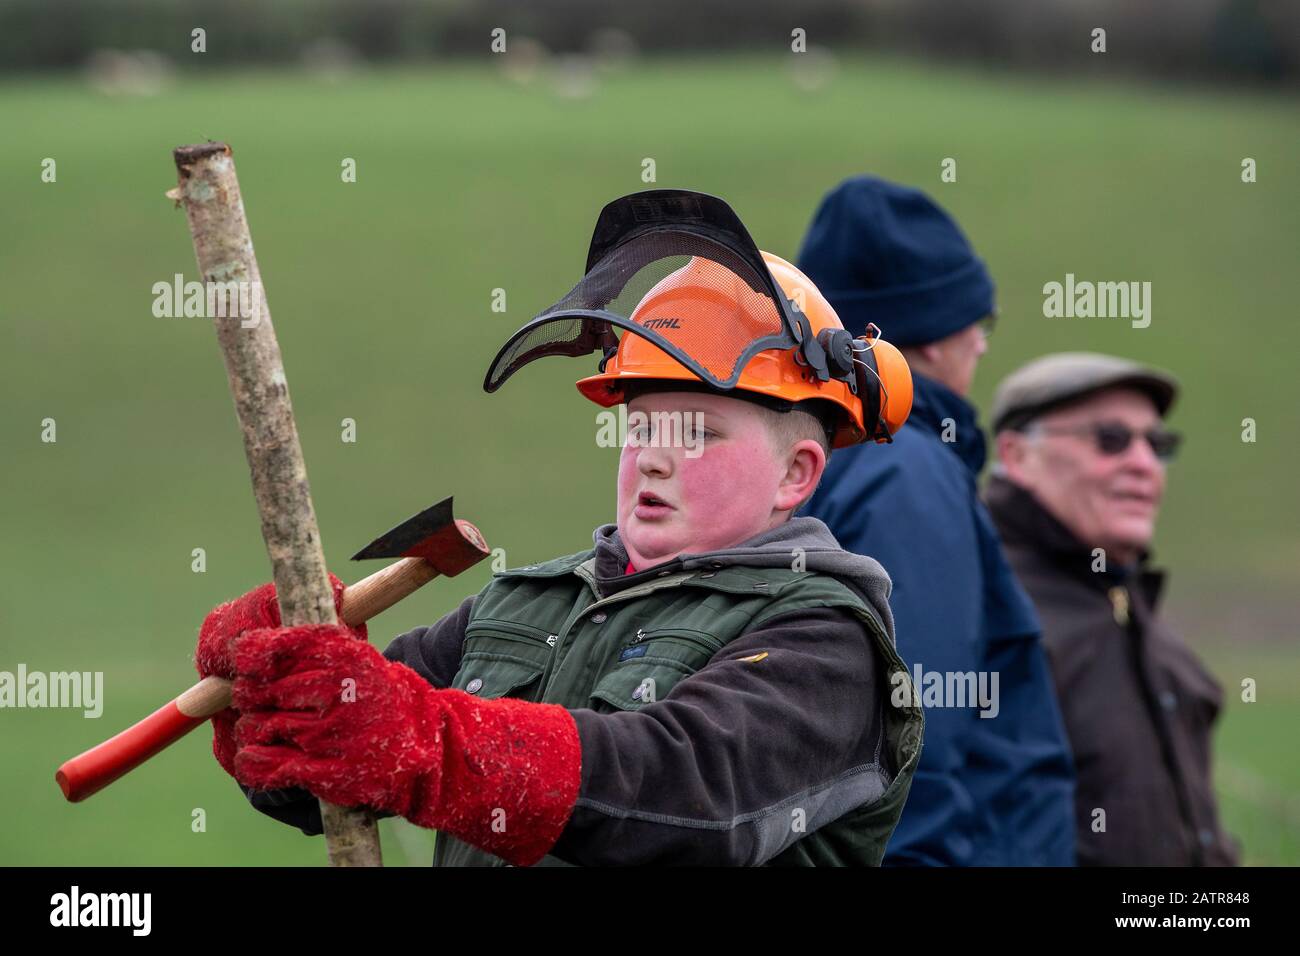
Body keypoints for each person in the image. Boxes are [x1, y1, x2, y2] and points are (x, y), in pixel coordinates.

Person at [192, 189, 924, 866]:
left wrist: (429, 743)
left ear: (796, 474)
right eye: (642, 428)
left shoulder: (825, 645)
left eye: (698, 432)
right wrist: (276, 682)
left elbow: (678, 793)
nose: (655, 460)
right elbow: (309, 780)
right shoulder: (518, 606)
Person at [798, 175, 1075, 865]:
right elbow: (918, 747)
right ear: (920, 339)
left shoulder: (827, 459)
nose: (981, 346)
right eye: (977, 323)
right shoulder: (905, 475)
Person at [986, 352, 1239, 865]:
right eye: (1111, 439)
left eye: (1158, 444)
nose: (1144, 464)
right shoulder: (988, 610)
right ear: (1016, 456)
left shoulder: (1135, 612)